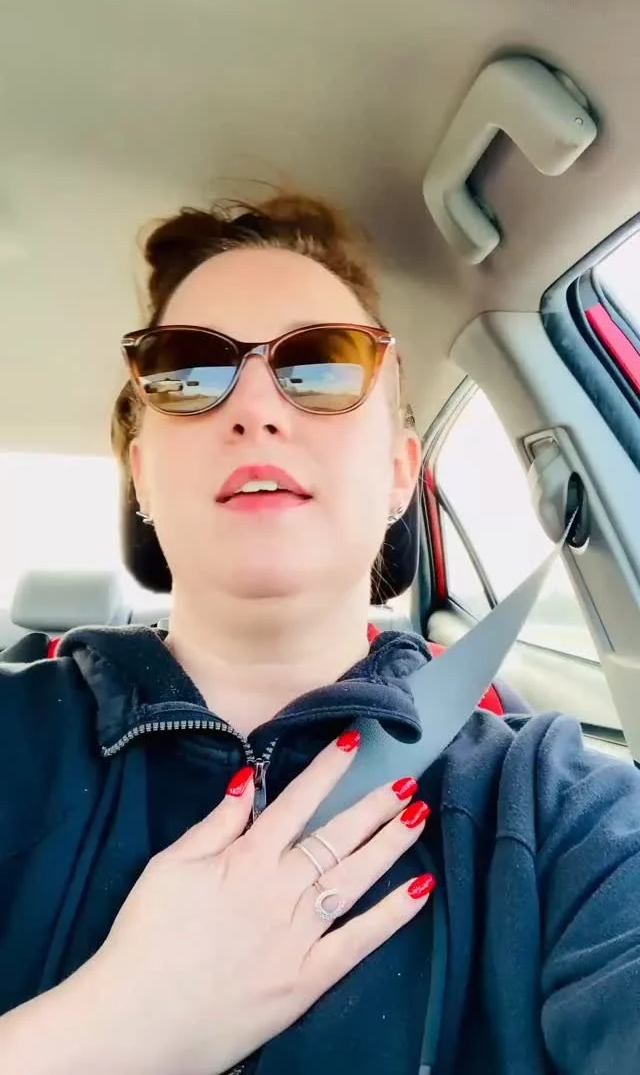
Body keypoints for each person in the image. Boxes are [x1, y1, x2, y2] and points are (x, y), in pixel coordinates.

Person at [0, 192, 639, 1075]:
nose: (256, 410)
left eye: (323, 365)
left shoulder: (549, 805)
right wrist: (112, 1023)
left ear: (399, 473)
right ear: (141, 476)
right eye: (188, 371)